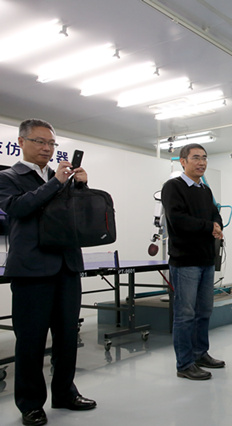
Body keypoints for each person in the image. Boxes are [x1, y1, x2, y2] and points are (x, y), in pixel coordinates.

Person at [0, 119, 96, 426]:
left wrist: (80, 187)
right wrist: (55, 182)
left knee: (67, 336)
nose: (47, 148)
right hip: (31, 270)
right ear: (21, 142)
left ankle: (65, 392)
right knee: (31, 339)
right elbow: (19, 208)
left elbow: (82, 217)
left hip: (67, 265)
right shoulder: (8, 177)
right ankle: (30, 403)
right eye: (40, 141)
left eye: (52, 143)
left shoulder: (64, 179)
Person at [161, 143, 226, 381]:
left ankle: (200, 353)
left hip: (206, 259)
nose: (201, 162)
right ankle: (185, 363)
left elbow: (215, 213)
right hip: (185, 261)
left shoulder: (204, 190)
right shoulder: (173, 187)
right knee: (185, 314)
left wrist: (216, 224)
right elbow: (178, 220)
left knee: (204, 311)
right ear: (183, 161)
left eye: (204, 158)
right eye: (196, 158)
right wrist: (209, 227)